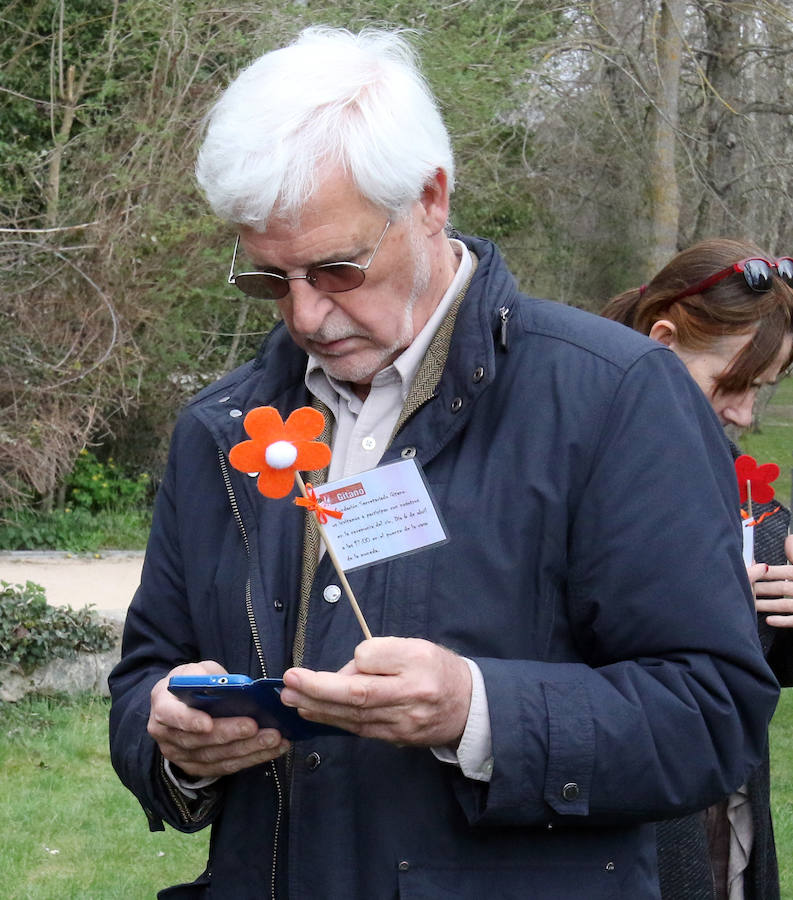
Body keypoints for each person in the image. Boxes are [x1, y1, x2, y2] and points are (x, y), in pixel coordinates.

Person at [108, 28, 778, 900]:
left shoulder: (612, 397)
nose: (305, 314)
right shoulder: (224, 427)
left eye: (338, 269)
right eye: (269, 281)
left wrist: (477, 710)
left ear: (430, 198)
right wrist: (170, 736)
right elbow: (145, 670)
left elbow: (712, 715)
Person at [602, 238, 793, 900]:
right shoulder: (567, 459)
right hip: (611, 840)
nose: (742, 413)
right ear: (662, 338)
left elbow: (773, 652)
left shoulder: (746, 495)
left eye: (760, 390)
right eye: (732, 384)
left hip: (721, 837)